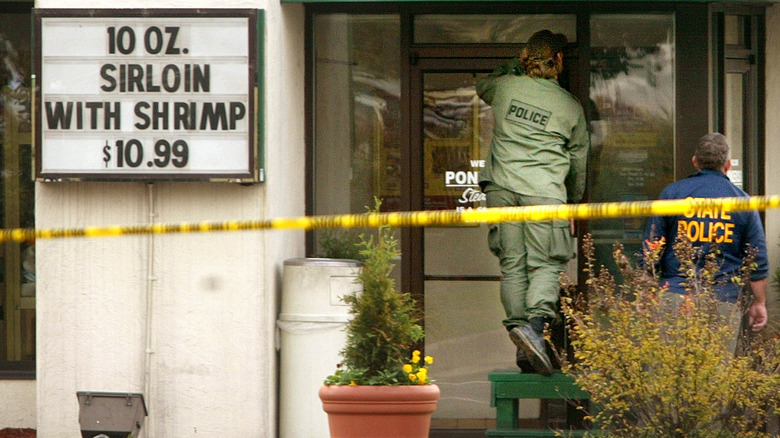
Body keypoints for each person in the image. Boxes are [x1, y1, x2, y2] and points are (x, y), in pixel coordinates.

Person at [476, 30, 590, 375]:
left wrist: (518, 63)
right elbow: (578, 164)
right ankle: (536, 330)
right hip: (544, 192)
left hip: (501, 189)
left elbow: (486, 83)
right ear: (558, 61)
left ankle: (523, 347)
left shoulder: (506, 87)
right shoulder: (570, 107)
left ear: (526, 58)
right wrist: (570, 202)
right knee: (546, 264)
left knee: (513, 265)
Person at [643, 132, 768, 347]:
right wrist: (759, 302)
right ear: (727, 165)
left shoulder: (671, 195)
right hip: (723, 300)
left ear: (695, 162)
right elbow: (757, 260)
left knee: (669, 373)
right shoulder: (742, 202)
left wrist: (645, 292)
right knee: (715, 376)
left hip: (674, 296)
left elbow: (651, 250)